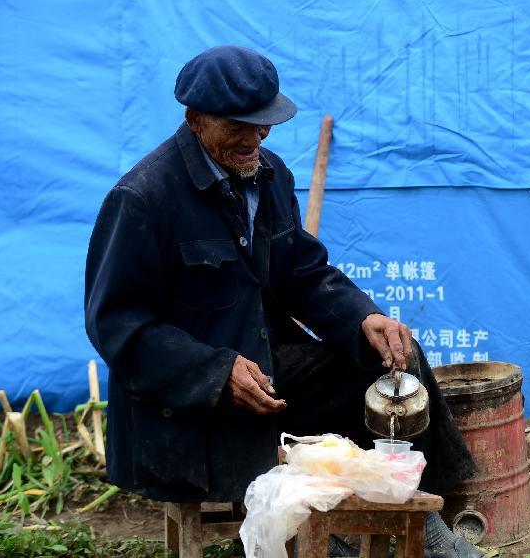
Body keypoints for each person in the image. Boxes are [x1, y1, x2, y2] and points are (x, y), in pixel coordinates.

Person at [84, 45, 480, 558]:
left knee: (393, 363)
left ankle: (423, 515)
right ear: (195, 119)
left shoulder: (268, 175)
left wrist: (366, 318)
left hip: (270, 373)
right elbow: (118, 325)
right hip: (194, 405)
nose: (254, 139)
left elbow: (303, 273)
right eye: (239, 126)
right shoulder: (142, 198)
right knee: (302, 494)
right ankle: (346, 540)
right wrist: (215, 371)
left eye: (264, 124)